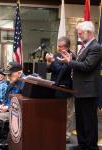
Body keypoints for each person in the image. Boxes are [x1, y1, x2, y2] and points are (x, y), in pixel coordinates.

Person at [58, 21, 102, 150]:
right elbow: (79, 64)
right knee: (81, 119)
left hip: (88, 90)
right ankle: (82, 144)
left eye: (80, 33)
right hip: (79, 89)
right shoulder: (84, 47)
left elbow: (87, 66)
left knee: (89, 120)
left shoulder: (96, 47)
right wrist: (70, 58)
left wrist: (70, 61)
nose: (79, 36)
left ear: (88, 32)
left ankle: (91, 146)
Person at [45, 36, 75, 143]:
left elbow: (62, 71)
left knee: (68, 114)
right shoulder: (57, 55)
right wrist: (49, 62)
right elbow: (49, 70)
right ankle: (56, 131)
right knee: (56, 113)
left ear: (66, 47)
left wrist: (53, 61)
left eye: (60, 47)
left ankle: (66, 135)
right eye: (58, 47)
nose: (58, 49)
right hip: (55, 87)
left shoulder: (71, 56)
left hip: (66, 89)